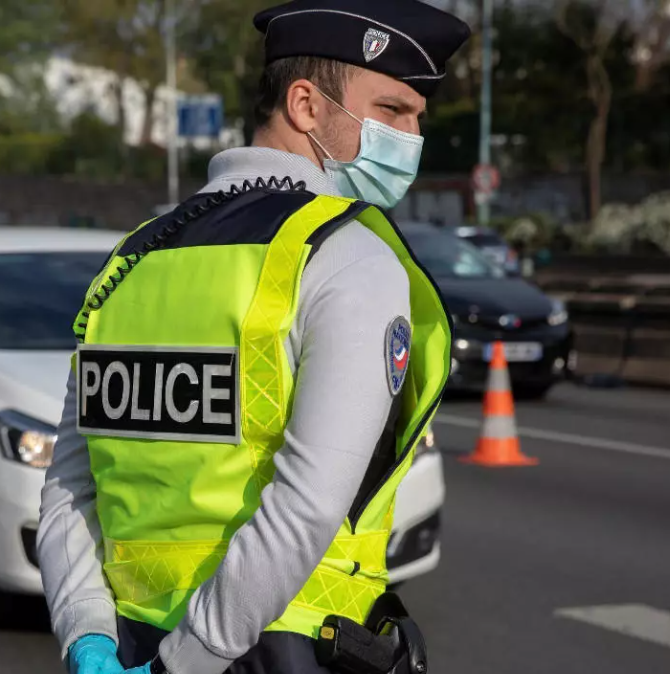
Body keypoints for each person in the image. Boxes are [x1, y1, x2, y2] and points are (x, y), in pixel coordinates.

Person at [37, 1, 471, 672]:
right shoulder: (346, 256)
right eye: (392, 110)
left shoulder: (130, 259)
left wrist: (87, 636)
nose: (412, 136)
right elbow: (307, 504)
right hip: (280, 649)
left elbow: (68, 486)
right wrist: (187, 662)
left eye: (418, 117)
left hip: (127, 641)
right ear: (305, 104)